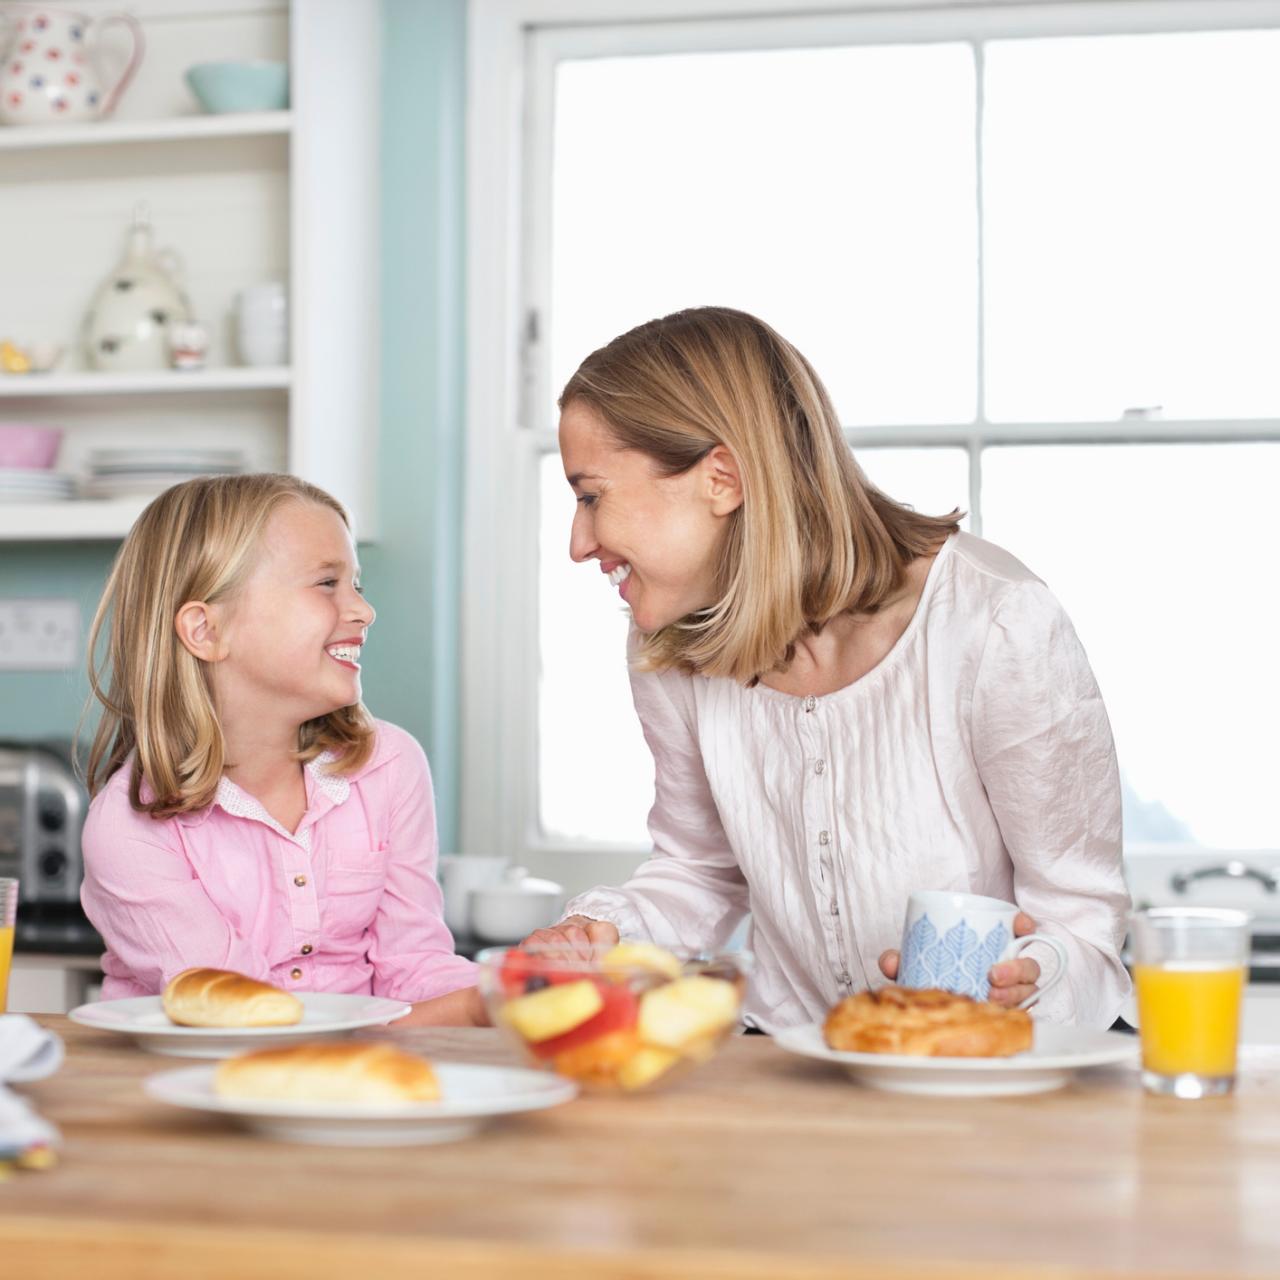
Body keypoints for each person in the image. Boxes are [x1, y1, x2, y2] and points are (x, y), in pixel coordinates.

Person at [524, 306, 1131, 1031]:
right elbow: (700, 872)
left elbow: (1082, 923)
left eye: (591, 496)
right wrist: (604, 935)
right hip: (791, 1083)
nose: (578, 542)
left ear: (721, 478)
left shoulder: (994, 621)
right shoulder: (670, 647)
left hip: (987, 1090)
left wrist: (1026, 984)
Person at [79, 474, 484, 1026]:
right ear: (206, 630)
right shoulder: (130, 829)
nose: (363, 611)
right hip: (184, 1094)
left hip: (345, 1087)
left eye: (356, 585)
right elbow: (244, 1015)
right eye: (327, 583)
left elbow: (415, 967)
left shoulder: (389, 767)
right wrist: (476, 1007)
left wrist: (504, 994)